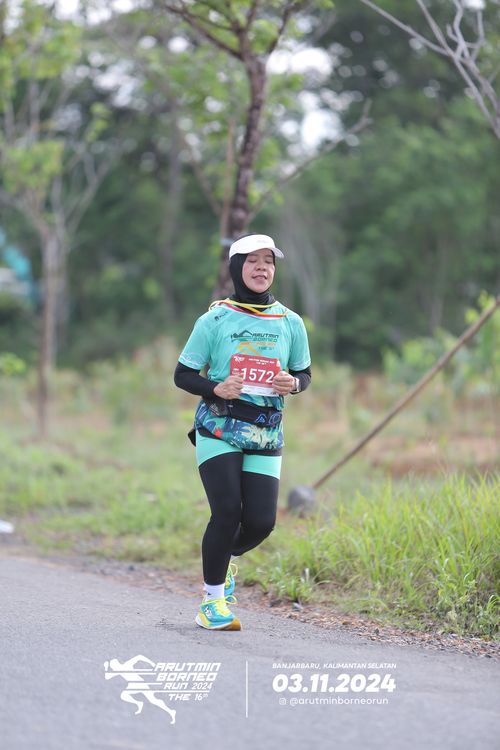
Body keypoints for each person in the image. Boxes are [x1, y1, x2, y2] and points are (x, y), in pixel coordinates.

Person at [174, 234, 311, 630]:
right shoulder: (214, 320)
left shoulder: (290, 322)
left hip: (266, 433)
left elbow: (304, 373)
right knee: (227, 511)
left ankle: (224, 560)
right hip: (219, 426)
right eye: (252, 260)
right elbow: (183, 375)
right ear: (236, 268)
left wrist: (293, 384)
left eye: (268, 261)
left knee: (261, 522)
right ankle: (212, 603)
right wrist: (215, 387)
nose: (261, 267)